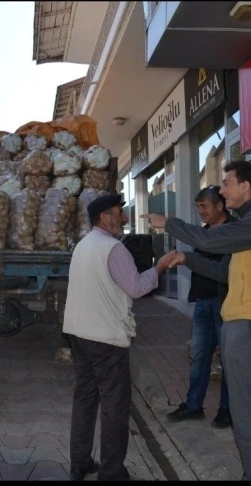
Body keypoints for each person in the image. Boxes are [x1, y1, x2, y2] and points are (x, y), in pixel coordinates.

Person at [142, 161, 251, 481]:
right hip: (241, 320)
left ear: (245, 187)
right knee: (242, 403)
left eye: (226, 183)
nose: (222, 190)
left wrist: (169, 223)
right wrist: (186, 259)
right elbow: (225, 272)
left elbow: (211, 239)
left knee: (243, 405)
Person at [63, 194, 176, 481]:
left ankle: (80, 464)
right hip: (105, 339)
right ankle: (112, 472)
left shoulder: (83, 246)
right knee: (114, 406)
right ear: (104, 218)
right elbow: (136, 288)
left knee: (85, 398)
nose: (124, 218)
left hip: (79, 334)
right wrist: (160, 267)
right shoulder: (113, 249)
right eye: (119, 213)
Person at [166, 186, 236, 429]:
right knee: (199, 357)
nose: (200, 212)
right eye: (198, 207)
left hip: (225, 304)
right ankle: (193, 405)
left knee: (228, 359)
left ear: (220, 206)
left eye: (204, 206)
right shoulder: (204, 232)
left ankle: (227, 410)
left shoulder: (234, 231)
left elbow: (225, 272)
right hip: (204, 303)